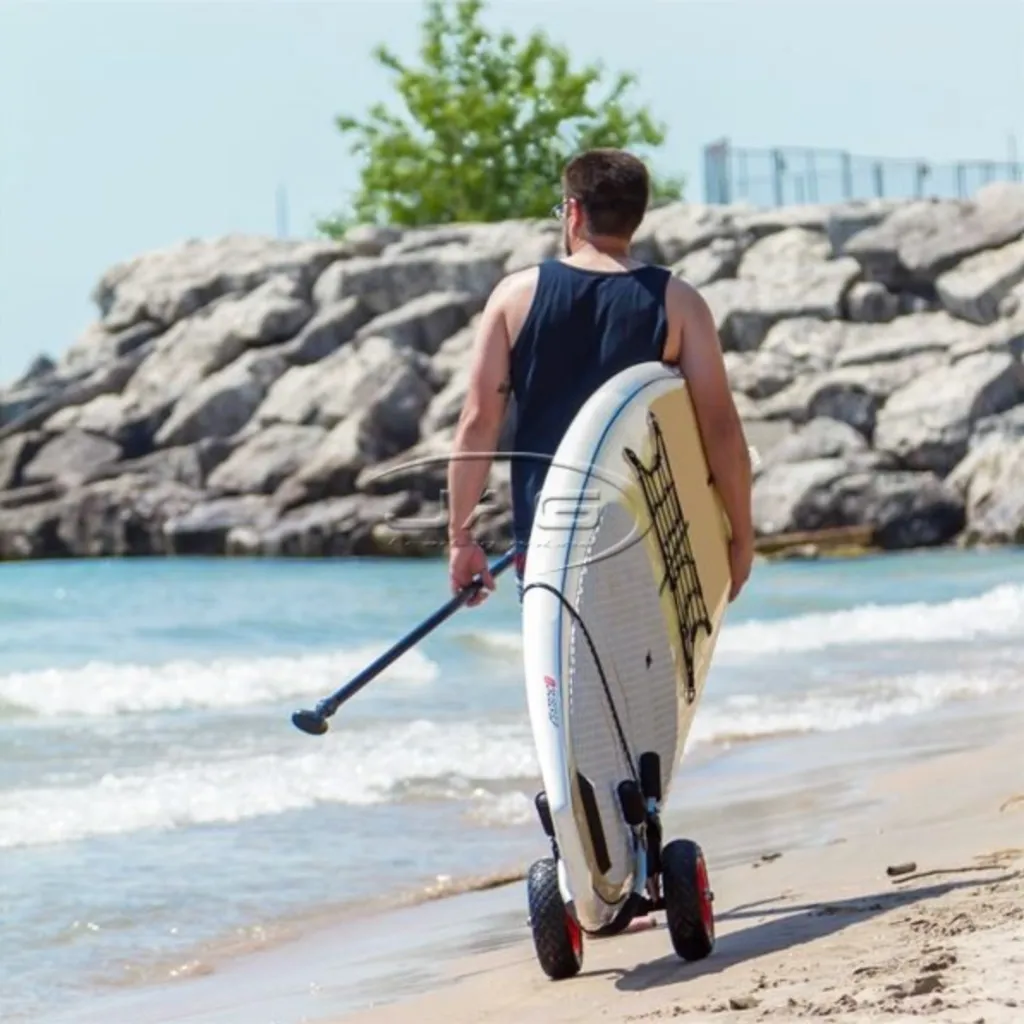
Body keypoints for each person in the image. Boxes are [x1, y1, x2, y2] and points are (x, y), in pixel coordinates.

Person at [445, 147, 754, 607]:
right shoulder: (680, 303)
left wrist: (460, 538)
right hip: (646, 543)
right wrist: (741, 538)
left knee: (561, 679)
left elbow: (478, 422)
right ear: (638, 215)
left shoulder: (514, 296)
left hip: (549, 544)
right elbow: (721, 429)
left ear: (573, 211)